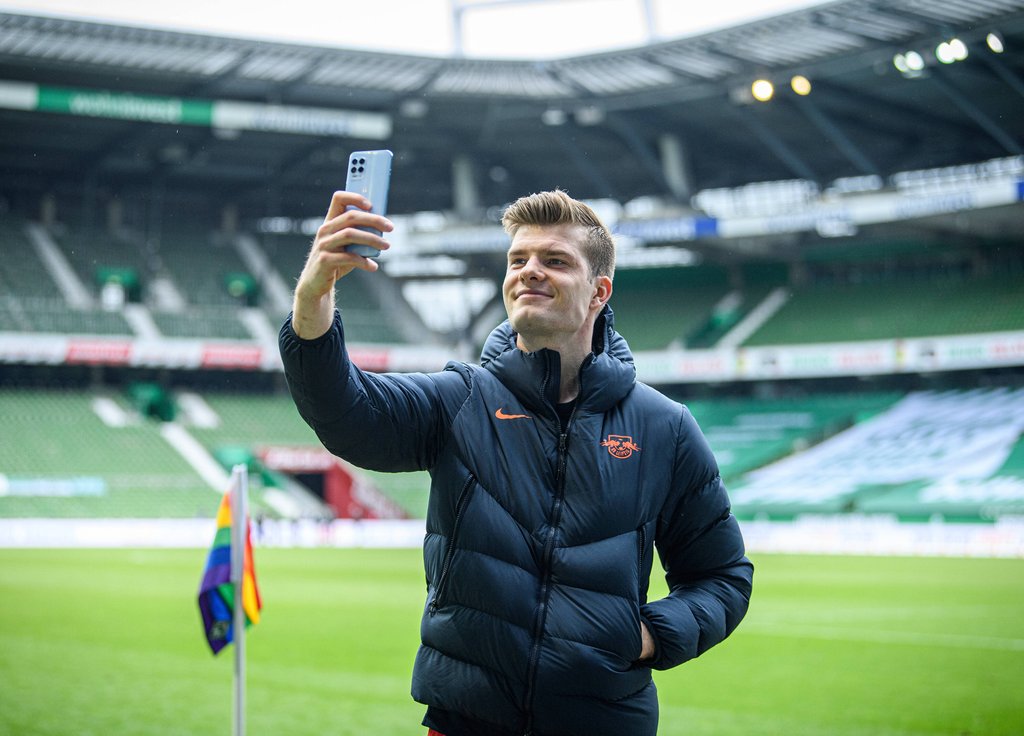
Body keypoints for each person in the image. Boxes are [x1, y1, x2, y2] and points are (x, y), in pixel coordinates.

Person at [280, 188, 753, 736]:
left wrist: (646, 634)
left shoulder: (664, 427)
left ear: (599, 292)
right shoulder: (460, 399)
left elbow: (722, 577)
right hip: (466, 721)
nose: (529, 271)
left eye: (554, 261)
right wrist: (313, 295)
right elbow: (346, 413)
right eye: (517, 260)